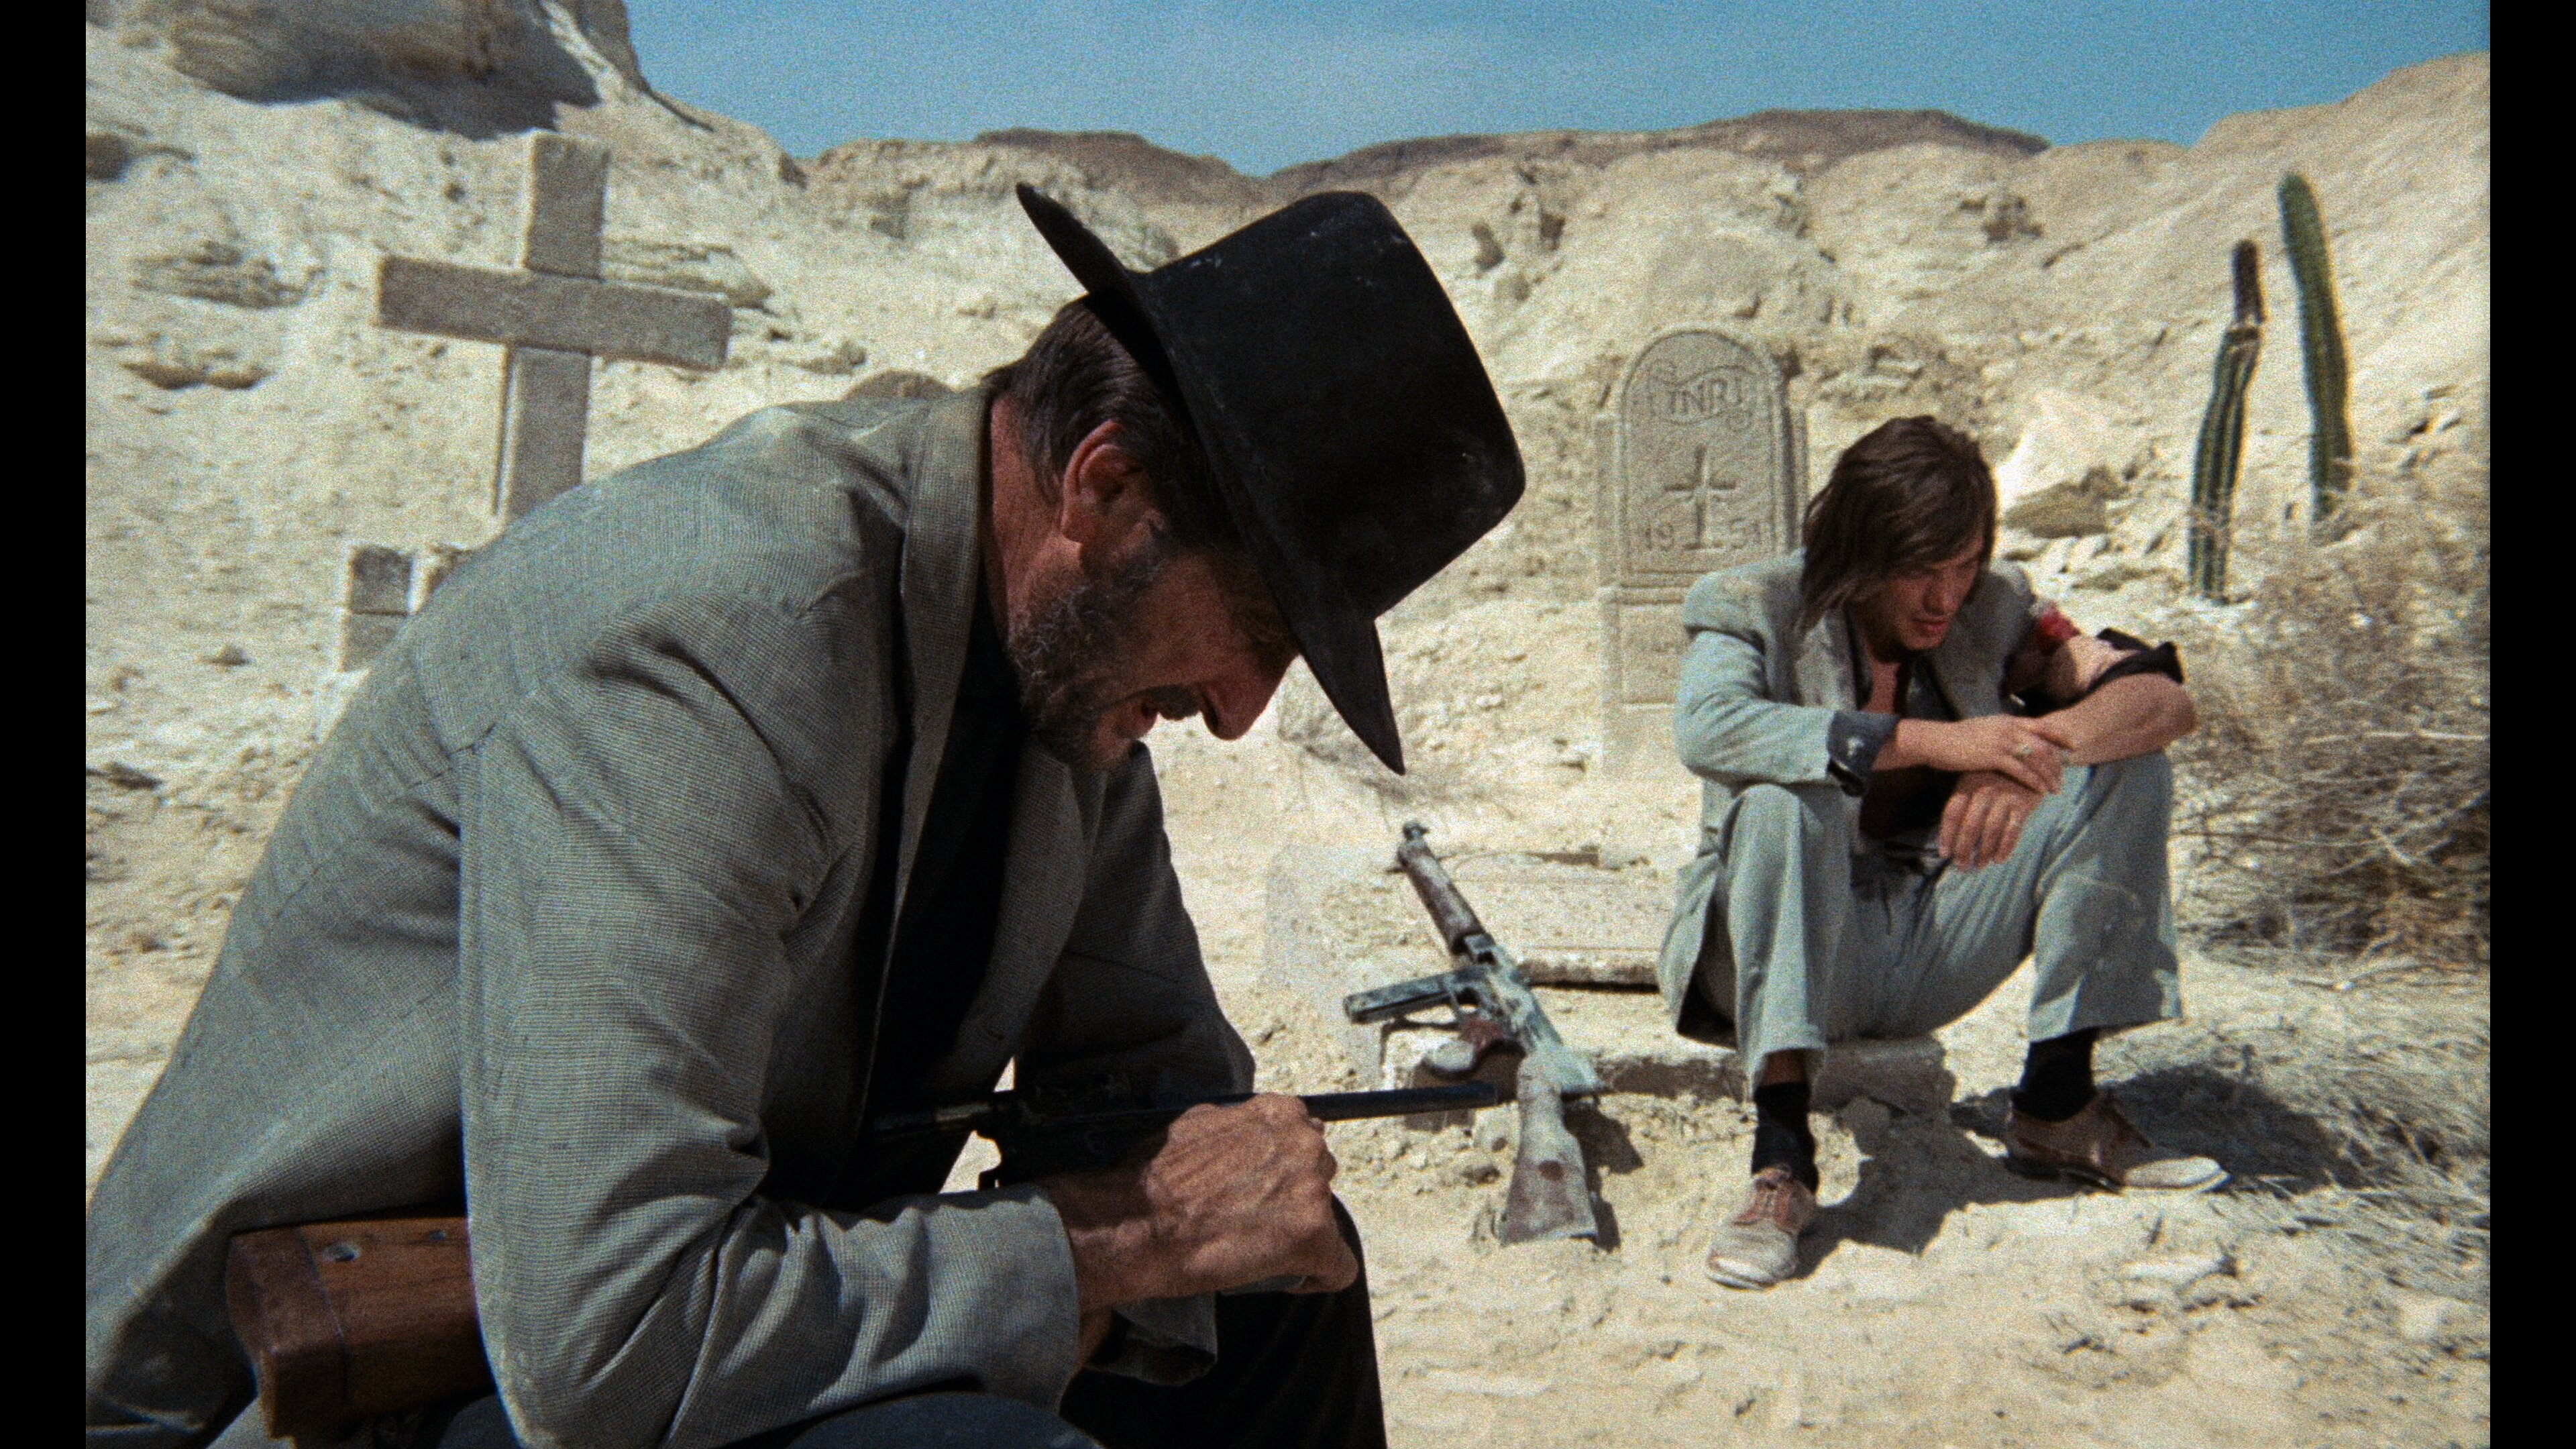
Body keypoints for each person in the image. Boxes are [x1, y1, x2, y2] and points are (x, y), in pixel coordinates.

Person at [87, 184, 1525, 1448]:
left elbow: (1159, 1110)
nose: (1242, 711)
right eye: (1258, 629)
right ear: (1105, 487)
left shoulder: (1067, 685)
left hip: (684, 1320)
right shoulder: (709, 645)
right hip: (350, 1376)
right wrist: (1106, 1245)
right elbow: (611, 1346)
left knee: (1278, 1290)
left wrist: (1178, 1221)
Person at [1655, 415, 2222, 1294]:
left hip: (1927, 943)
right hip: (1778, 953)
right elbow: (1709, 727)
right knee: (1779, 805)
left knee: (2126, 770)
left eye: (1963, 567)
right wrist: (1935, 743)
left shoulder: (1996, 608)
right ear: (1860, 552)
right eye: (1921, 569)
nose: (1944, 597)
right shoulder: (1748, 605)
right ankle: (1782, 1162)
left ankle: (2057, 1104)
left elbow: (2158, 699)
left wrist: (2029, 758)